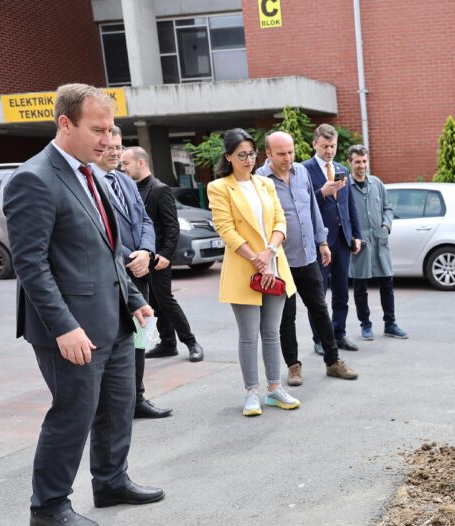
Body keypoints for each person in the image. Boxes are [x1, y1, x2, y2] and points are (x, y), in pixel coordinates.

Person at [2, 83, 163, 526]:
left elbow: (108, 250)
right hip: (69, 330)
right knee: (73, 412)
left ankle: (111, 482)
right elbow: (30, 265)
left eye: (111, 129)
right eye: (97, 129)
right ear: (65, 124)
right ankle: (49, 505)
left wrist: (134, 299)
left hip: (111, 318)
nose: (107, 139)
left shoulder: (93, 175)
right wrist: (64, 328)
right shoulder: (34, 178)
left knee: (117, 405)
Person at [209, 128, 301, 416]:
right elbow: (227, 230)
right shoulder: (219, 187)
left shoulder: (265, 184)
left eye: (251, 153)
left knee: (272, 332)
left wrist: (269, 253)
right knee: (249, 335)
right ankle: (251, 392)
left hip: (274, 263)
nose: (249, 159)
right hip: (244, 268)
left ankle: (274, 389)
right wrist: (256, 259)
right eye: (242, 155)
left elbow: (279, 221)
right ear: (229, 157)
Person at [255, 132, 358, 385]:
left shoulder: (301, 172)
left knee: (320, 310)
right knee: (286, 317)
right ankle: (293, 366)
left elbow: (312, 206)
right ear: (268, 153)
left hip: (308, 255)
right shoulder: (259, 180)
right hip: (281, 261)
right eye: (281, 154)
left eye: (291, 152)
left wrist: (322, 241)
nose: (288, 158)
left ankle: (333, 361)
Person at [92, 127, 171, 420]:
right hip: (114, 275)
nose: (114, 151)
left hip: (140, 276)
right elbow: (99, 231)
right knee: (114, 343)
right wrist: (129, 256)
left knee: (140, 340)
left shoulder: (125, 181)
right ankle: (114, 406)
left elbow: (146, 220)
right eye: (109, 146)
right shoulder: (89, 184)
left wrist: (147, 253)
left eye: (118, 146)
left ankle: (137, 399)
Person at [121, 146, 205, 364]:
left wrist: (166, 255)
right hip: (135, 259)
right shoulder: (128, 189)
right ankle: (167, 343)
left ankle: (191, 342)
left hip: (157, 258)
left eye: (126, 163)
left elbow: (171, 226)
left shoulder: (159, 189)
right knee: (150, 303)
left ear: (141, 163)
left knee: (165, 300)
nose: (123, 168)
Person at [301, 124, 363, 353]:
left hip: (343, 240)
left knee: (341, 292)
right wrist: (321, 193)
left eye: (333, 146)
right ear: (314, 144)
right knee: (318, 294)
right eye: (325, 146)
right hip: (320, 242)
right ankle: (320, 339)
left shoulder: (341, 169)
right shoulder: (304, 170)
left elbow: (349, 205)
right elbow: (300, 205)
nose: (329, 151)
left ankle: (339, 334)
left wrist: (356, 234)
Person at [347, 144, 407, 341]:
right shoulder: (346, 187)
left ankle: (390, 323)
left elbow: (388, 209)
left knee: (387, 284)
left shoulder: (377, 184)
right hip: (359, 244)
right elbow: (342, 216)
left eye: (364, 161)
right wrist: (352, 237)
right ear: (350, 163)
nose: (362, 165)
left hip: (380, 240)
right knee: (360, 288)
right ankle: (365, 324)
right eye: (357, 162)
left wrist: (386, 226)